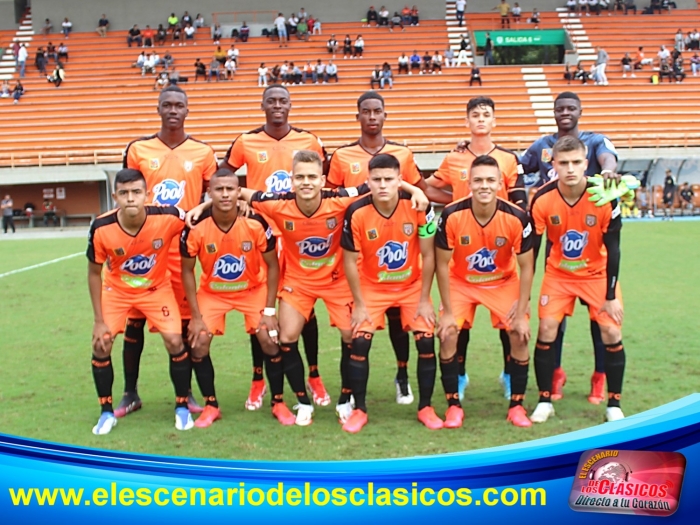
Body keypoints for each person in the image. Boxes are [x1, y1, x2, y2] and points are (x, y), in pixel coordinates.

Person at [209, 150, 427, 427]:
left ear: (323, 180)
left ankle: (345, 398)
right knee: (286, 338)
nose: (306, 182)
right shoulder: (276, 203)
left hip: (337, 281)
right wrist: (201, 208)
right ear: (291, 179)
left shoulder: (340, 198)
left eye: (312, 177)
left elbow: (379, 183)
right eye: (300, 177)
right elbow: (233, 192)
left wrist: (414, 190)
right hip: (298, 282)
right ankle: (303, 401)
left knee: (351, 336)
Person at [327, 92, 450, 403]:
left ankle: (403, 377)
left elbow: (420, 192)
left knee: (401, 323)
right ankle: (349, 395)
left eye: (377, 111)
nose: (372, 116)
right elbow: (332, 197)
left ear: (385, 115)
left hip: (401, 253)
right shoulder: (342, 156)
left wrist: (460, 201)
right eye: (366, 111)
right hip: (362, 250)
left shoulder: (402, 154)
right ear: (358, 115)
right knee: (354, 330)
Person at [217, 85, 329, 409]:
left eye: (283, 100)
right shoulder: (245, 141)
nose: (277, 105)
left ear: (290, 105)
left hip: (298, 236)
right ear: (263, 105)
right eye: (271, 101)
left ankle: (314, 374)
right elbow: (224, 174)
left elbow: (327, 179)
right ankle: (258, 380)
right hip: (260, 237)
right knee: (260, 312)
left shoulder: (310, 140)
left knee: (305, 311)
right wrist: (239, 199)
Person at [118, 86, 218, 419]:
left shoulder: (202, 151)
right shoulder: (138, 149)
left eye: (179, 105)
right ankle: (130, 393)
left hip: (181, 251)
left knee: (184, 322)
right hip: (144, 250)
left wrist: (199, 212)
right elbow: (126, 190)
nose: (173, 110)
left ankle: (185, 392)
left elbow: (215, 195)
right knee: (134, 322)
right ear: (158, 109)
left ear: (187, 110)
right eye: (167, 105)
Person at [520, 92, 619, 405]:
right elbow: (517, 167)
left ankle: (600, 376)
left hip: (592, 238)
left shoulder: (594, 140)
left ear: (580, 111)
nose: (565, 112)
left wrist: (608, 172)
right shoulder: (542, 145)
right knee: (553, 320)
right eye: (560, 108)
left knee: (600, 320)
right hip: (556, 235)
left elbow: (608, 157)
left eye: (571, 108)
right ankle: (555, 373)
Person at [427, 98, 526, 398]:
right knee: (460, 326)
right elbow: (428, 186)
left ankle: (509, 373)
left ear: (494, 121)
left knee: (509, 326)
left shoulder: (508, 158)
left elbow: (520, 200)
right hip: (461, 254)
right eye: (475, 115)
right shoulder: (454, 157)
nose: (481, 119)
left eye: (486, 115)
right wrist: (454, 202)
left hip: (499, 253)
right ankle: (459, 376)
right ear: (467, 121)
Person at [529, 135, 626, 424]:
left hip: (597, 274)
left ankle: (614, 404)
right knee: (547, 328)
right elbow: (532, 251)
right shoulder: (542, 199)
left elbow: (614, 249)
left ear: (586, 164)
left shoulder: (604, 196)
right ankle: (544, 400)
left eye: (575, 162)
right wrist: (524, 295)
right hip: (559, 275)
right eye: (563, 163)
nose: (570, 168)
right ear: (553, 165)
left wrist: (610, 296)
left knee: (611, 332)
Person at [86, 169, 192, 435]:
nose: (130, 198)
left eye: (136, 192)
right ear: (115, 197)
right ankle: (106, 412)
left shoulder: (167, 216)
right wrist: (98, 321)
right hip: (116, 291)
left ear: (147, 194)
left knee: (175, 340)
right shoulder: (101, 227)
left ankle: (181, 406)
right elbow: (93, 273)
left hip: (156, 289)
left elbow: (195, 217)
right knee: (101, 344)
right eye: (124, 193)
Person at [341, 154, 439, 432]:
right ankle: (360, 410)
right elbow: (350, 261)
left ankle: (426, 407)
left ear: (400, 180)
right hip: (371, 288)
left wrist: (424, 299)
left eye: (388, 179)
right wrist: (359, 304)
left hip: (411, 286)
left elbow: (429, 255)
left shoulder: (419, 206)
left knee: (425, 341)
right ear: (368, 181)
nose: (383, 185)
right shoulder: (356, 211)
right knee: (359, 342)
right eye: (377, 179)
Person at [181, 169, 287, 426]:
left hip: (252, 290)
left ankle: (278, 402)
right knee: (198, 341)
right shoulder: (195, 226)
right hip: (213, 293)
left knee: (269, 338)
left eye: (230, 189)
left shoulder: (255, 222)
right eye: (219, 189)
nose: (225, 194)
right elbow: (186, 271)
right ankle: (211, 405)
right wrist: (195, 316)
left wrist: (270, 311)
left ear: (239, 192)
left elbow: (273, 265)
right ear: (209, 193)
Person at [436, 155, 535, 428]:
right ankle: (453, 405)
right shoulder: (451, 214)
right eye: (478, 180)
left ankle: (516, 406)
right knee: (447, 333)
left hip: (502, 281)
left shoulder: (516, 217)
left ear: (501, 183)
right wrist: (446, 311)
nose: (484, 186)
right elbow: (442, 265)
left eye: (491, 180)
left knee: (520, 334)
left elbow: (527, 266)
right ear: (468, 183)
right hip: (461, 281)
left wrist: (522, 307)